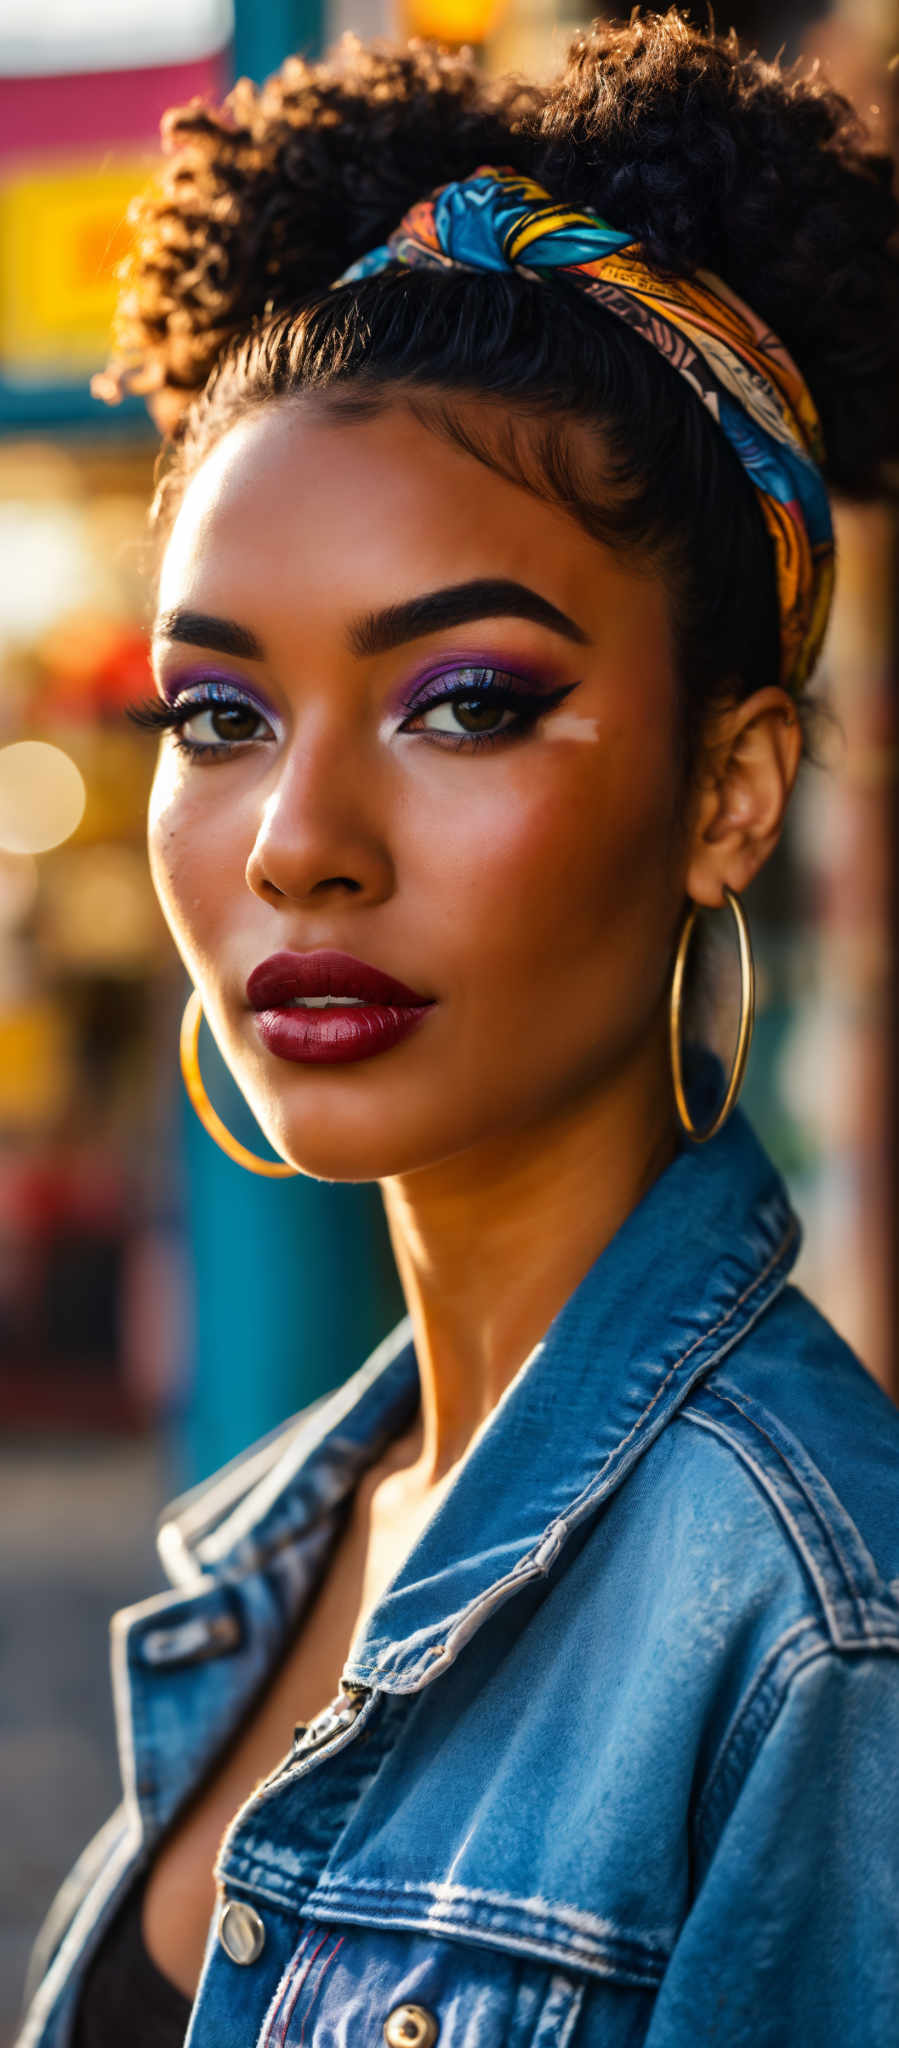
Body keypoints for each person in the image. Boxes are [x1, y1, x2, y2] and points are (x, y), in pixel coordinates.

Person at [18, 13, 899, 2047]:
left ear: (731, 791)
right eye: (220, 716)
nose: (300, 844)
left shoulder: (814, 1639)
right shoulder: (294, 1527)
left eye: (468, 701)